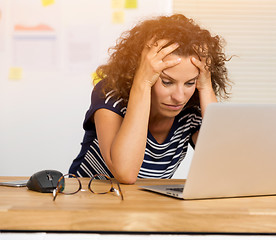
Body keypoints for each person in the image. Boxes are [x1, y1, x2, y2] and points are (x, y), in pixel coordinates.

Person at [68, 14, 231, 184]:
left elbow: (225, 166)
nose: (179, 97)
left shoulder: (191, 111)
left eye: (190, 83)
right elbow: (125, 173)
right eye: (167, 82)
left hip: (145, 206)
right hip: (89, 200)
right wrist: (142, 82)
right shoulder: (111, 94)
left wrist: (206, 87)